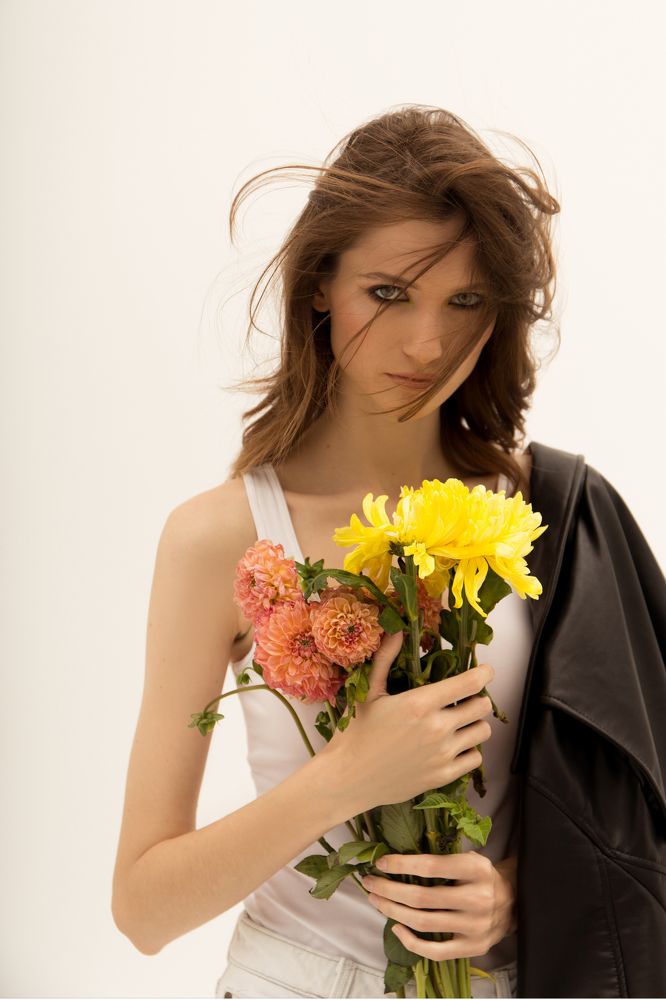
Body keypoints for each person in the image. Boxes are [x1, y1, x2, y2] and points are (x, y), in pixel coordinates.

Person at [111, 106, 666, 999]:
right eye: (388, 293)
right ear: (319, 285)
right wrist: (346, 777)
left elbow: (641, 805)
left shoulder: (549, 515)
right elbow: (143, 910)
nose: (426, 344)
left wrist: (516, 894)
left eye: (465, 302)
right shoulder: (220, 537)